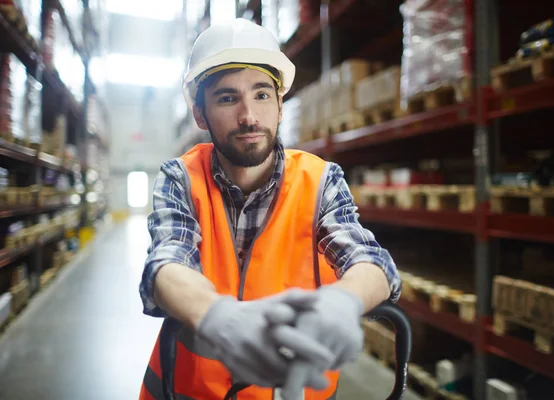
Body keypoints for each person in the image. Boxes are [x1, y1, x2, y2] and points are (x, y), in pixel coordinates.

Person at [138, 18, 401, 400]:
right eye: (227, 98)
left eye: (262, 95)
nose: (248, 116)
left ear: (280, 104)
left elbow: (369, 259)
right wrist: (218, 318)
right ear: (200, 114)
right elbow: (166, 263)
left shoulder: (320, 179)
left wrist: (344, 301)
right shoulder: (181, 177)